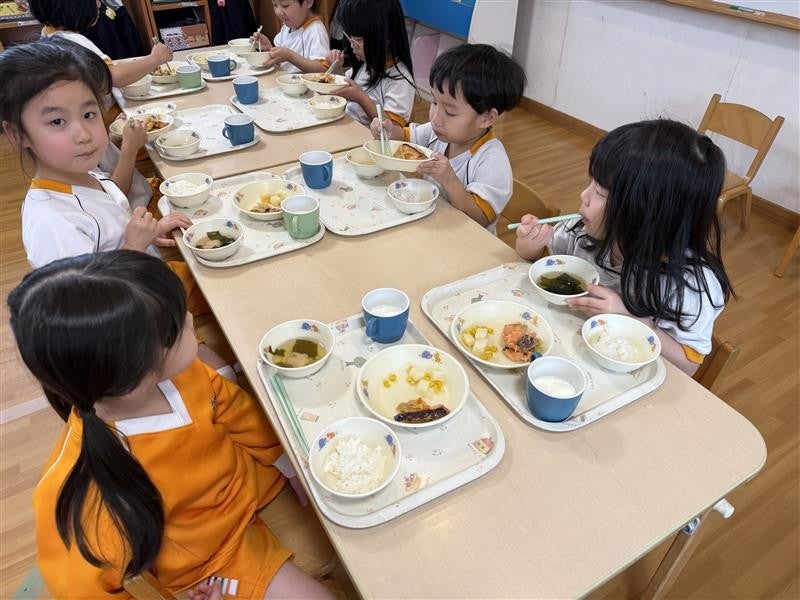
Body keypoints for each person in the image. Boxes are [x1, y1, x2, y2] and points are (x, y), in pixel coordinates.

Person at [7, 250, 333, 599]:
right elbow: (82, 590)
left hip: (251, 486)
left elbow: (241, 414)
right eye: (180, 325)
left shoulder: (181, 373)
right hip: (212, 566)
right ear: (137, 375)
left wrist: (289, 467)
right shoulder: (83, 497)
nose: (192, 319)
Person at [515, 119, 734, 375]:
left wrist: (629, 319)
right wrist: (528, 248)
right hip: (563, 349)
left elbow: (688, 365)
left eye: (600, 192)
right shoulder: (583, 231)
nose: (583, 197)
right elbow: (542, 264)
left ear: (645, 213)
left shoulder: (688, 287)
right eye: (591, 184)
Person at [0, 38, 189, 270]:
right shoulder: (52, 224)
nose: (83, 135)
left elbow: (111, 232)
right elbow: (85, 301)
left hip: (146, 274)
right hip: (136, 299)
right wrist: (133, 246)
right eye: (57, 121)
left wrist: (149, 234)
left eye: (89, 114)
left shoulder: (85, 174)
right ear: (18, 133)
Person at [370, 43, 525, 232]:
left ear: (487, 118)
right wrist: (387, 130)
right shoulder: (439, 133)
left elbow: (480, 219)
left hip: (465, 241)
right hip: (431, 225)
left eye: (450, 112)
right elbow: (403, 137)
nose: (436, 117)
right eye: (434, 102)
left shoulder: (492, 161)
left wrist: (449, 178)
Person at [29, 0, 172, 88]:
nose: (99, 4)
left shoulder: (48, 33)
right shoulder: (77, 43)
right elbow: (115, 76)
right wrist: (156, 58)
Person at [324, 0, 415, 128]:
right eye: (350, 37)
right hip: (346, 131)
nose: (352, 45)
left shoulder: (400, 80)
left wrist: (361, 98)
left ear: (386, 37)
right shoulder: (365, 63)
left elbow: (393, 131)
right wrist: (337, 72)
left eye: (358, 40)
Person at [250, 0, 329, 74]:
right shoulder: (287, 26)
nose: (278, 12)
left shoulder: (316, 30)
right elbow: (282, 62)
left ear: (308, 1)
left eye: (285, 6)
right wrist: (269, 49)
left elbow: (323, 69)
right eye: (275, 5)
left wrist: (290, 56)